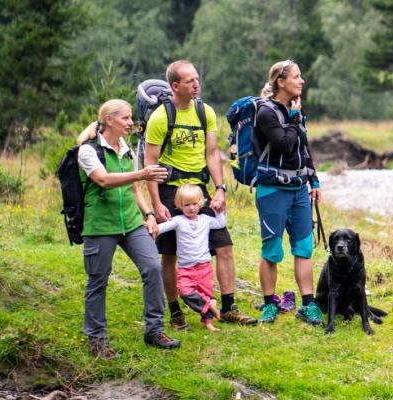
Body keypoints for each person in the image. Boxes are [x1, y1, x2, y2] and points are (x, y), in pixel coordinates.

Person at [145, 60, 257, 329]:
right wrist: (157, 204)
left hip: (200, 191)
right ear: (175, 86)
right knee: (170, 254)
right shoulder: (160, 118)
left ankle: (229, 307)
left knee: (224, 244)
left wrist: (220, 189)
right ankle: (174, 311)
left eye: (197, 79)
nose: (197, 84)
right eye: (189, 81)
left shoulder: (205, 112)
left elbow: (211, 153)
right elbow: (150, 164)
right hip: (171, 190)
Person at [74, 99, 179, 359]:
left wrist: (149, 215)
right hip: (100, 225)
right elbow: (104, 180)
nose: (131, 123)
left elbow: (133, 190)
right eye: (126, 118)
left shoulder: (126, 148)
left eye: (131, 118)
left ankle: (154, 331)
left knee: (152, 268)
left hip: (131, 222)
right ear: (109, 119)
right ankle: (98, 340)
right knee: (98, 281)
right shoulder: (89, 151)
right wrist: (142, 174)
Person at [252, 60, 324, 325]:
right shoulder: (265, 112)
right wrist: (294, 118)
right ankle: (269, 304)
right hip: (272, 190)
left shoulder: (296, 110)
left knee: (304, 247)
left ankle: (308, 304)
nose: (301, 81)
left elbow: (302, 148)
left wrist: (314, 180)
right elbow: (283, 145)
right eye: (296, 77)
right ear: (280, 82)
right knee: (271, 249)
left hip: (298, 190)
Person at [157, 185, 229, 332]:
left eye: (194, 204)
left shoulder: (206, 220)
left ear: (200, 203)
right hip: (186, 268)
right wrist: (151, 226)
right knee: (184, 291)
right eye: (186, 205)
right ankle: (210, 307)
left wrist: (219, 211)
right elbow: (162, 228)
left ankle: (209, 322)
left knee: (205, 294)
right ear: (179, 205)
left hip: (204, 267)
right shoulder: (178, 220)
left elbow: (220, 223)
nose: (191, 208)